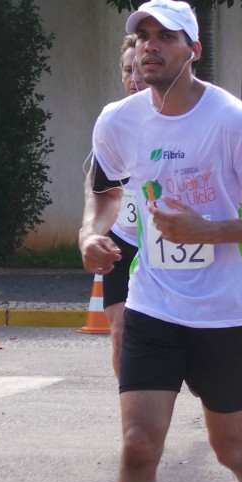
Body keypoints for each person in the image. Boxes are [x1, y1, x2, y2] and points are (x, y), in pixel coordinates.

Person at [78, 0, 242, 482]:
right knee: (137, 446)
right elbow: (105, 190)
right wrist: (90, 233)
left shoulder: (232, 121)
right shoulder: (118, 121)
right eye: (144, 37)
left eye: (166, 37)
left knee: (231, 448)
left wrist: (209, 230)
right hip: (153, 306)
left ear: (192, 49)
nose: (151, 47)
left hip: (224, 312)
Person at [84, 34, 143, 379]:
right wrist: (90, 233)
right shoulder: (113, 123)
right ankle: (134, 418)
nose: (134, 78)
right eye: (126, 70)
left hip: (167, 245)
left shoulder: (179, 120)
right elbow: (97, 186)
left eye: (139, 69)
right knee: (120, 332)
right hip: (122, 241)